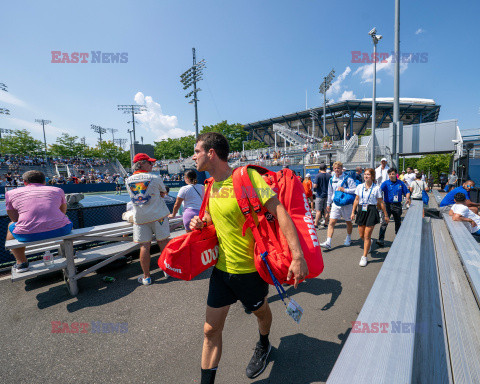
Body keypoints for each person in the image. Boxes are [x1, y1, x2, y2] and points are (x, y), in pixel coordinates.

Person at [189, 132, 308, 383]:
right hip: (221, 271)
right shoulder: (211, 185)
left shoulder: (245, 177)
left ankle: (264, 343)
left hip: (251, 271)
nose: (193, 156)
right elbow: (213, 220)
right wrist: (200, 222)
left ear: (211, 153)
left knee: (261, 313)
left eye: (197, 151)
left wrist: (297, 256)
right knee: (210, 330)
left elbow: (280, 212)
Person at [5, 170, 73, 273]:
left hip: (27, 235)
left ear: (24, 182)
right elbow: (63, 212)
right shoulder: (58, 190)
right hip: (61, 230)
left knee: (11, 225)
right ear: (44, 181)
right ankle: (71, 252)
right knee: (65, 219)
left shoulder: (10, 193)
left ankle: (22, 263)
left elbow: (14, 219)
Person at [126, 153, 171, 286]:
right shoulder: (155, 178)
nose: (152, 165)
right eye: (150, 163)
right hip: (158, 216)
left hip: (140, 218)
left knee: (144, 246)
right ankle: (167, 270)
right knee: (163, 243)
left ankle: (147, 277)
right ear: (142, 163)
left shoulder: (128, 180)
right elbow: (163, 193)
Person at [351, 168, 388, 266]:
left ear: (372, 176)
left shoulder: (376, 188)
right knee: (361, 235)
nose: (366, 176)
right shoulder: (359, 186)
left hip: (371, 210)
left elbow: (381, 202)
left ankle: (364, 256)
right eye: (365, 174)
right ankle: (370, 242)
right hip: (361, 210)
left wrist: (386, 215)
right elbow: (356, 199)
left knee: (367, 235)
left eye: (368, 174)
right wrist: (352, 212)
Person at [320, 161, 357, 250]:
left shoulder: (348, 178)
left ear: (341, 168)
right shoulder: (331, 179)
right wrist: (328, 204)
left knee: (348, 222)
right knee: (331, 222)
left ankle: (348, 238)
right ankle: (328, 242)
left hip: (346, 204)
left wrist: (345, 190)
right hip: (335, 204)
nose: (337, 170)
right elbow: (330, 193)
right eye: (335, 168)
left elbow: (355, 189)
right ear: (333, 169)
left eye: (338, 168)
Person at [377, 168, 411, 247]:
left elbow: (407, 192)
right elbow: (379, 191)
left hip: (397, 205)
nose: (391, 175)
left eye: (393, 174)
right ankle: (381, 239)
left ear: (396, 174)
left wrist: (407, 198)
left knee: (398, 222)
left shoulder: (400, 183)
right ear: (388, 175)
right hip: (387, 205)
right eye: (390, 174)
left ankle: (398, 238)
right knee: (385, 222)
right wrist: (378, 201)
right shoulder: (385, 183)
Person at [313, 163, 330, 228]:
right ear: (325, 168)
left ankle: (316, 225)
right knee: (326, 211)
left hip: (319, 195)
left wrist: (315, 189)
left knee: (318, 211)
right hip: (327, 195)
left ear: (319, 168)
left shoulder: (318, 176)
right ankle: (326, 224)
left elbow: (315, 185)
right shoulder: (329, 176)